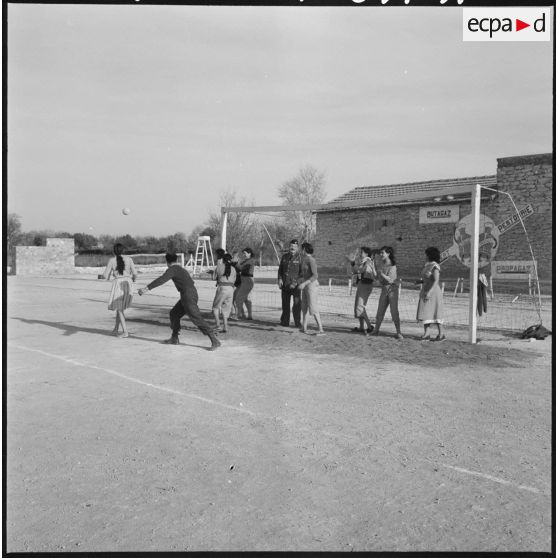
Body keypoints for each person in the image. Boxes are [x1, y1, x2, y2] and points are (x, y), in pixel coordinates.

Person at [138, 253, 221, 350]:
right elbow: (190, 282)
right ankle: (174, 338)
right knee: (174, 314)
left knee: (196, 318)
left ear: (167, 261)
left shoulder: (172, 269)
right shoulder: (181, 269)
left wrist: (146, 288)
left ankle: (214, 340)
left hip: (188, 295)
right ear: (176, 260)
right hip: (190, 293)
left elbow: (161, 280)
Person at [99, 243, 137, 338]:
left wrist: (99, 276)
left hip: (118, 285)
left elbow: (105, 275)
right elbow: (135, 274)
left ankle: (125, 332)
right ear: (123, 250)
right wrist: (133, 280)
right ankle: (116, 329)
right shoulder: (129, 259)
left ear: (114, 251)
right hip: (128, 284)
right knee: (119, 308)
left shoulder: (112, 260)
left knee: (119, 309)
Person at [372, 246, 403, 340]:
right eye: (380, 253)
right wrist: (373, 266)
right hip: (384, 289)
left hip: (392, 290)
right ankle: (376, 330)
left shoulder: (392, 266)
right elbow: (377, 277)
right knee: (380, 310)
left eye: (383, 253)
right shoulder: (382, 265)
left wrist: (381, 274)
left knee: (394, 311)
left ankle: (399, 332)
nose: (381, 254)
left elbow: (390, 280)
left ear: (388, 254)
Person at [416, 246, 445, 341]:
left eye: (426, 254)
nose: (425, 256)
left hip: (433, 292)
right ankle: (427, 333)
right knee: (425, 312)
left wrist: (430, 292)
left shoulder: (435, 266)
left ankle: (441, 334)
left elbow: (436, 280)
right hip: (425, 290)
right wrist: (420, 282)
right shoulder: (427, 265)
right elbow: (427, 278)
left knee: (435, 312)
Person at [298, 242, 325, 336]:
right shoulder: (303, 259)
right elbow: (302, 274)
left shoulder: (311, 260)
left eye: (302, 249)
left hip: (312, 285)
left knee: (313, 307)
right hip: (305, 285)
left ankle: (321, 329)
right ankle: (304, 328)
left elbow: (315, 275)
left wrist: (304, 283)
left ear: (304, 249)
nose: (300, 250)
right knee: (304, 307)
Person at [349, 246, 376, 334]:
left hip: (365, 285)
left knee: (360, 307)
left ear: (367, 254)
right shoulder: (364, 262)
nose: (360, 254)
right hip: (362, 285)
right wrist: (353, 264)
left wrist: (354, 264)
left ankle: (369, 326)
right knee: (359, 306)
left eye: (362, 252)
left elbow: (360, 271)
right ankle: (361, 327)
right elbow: (358, 271)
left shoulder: (367, 262)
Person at [277, 239, 302, 327]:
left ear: (297, 248)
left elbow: (302, 274)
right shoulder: (284, 257)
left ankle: (297, 323)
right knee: (285, 304)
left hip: (295, 286)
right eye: (291, 246)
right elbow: (280, 270)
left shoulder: (300, 257)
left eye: (294, 247)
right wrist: (279, 279)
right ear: (289, 247)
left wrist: (295, 283)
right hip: (285, 285)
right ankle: (285, 322)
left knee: (297, 305)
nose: (292, 248)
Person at [212, 249, 237, 333]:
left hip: (222, 288)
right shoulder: (233, 268)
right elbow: (234, 280)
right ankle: (225, 326)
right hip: (231, 289)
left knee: (215, 307)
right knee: (226, 309)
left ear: (222, 259)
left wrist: (212, 273)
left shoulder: (219, 266)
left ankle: (218, 325)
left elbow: (213, 278)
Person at [234, 247, 255, 320]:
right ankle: (249, 315)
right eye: (243, 253)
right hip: (246, 281)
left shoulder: (250, 261)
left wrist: (235, 263)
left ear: (249, 253)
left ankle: (238, 315)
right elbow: (239, 268)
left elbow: (240, 268)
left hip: (247, 281)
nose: (244, 254)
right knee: (246, 299)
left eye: (245, 253)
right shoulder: (247, 260)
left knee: (238, 297)